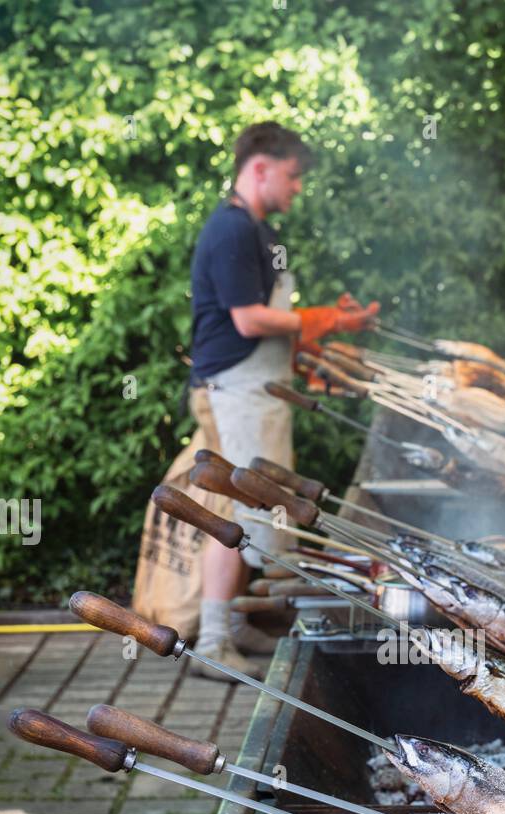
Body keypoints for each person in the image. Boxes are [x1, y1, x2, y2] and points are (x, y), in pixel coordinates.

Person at [188, 121, 378, 679]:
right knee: (238, 506)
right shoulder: (230, 231)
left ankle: (233, 624)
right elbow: (248, 320)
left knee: (240, 505)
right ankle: (214, 638)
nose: (298, 188)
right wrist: (326, 319)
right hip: (235, 393)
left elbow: (269, 325)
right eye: (293, 176)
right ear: (260, 167)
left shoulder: (260, 233)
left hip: (256, 390)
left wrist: (314, 353)